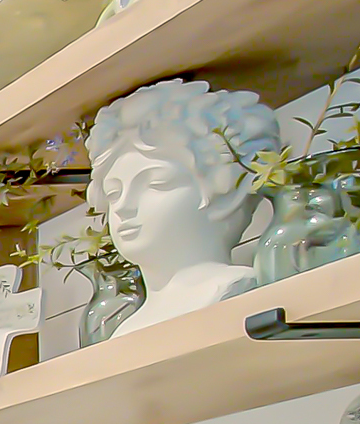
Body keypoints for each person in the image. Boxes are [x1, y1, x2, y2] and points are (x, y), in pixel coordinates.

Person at [84, 78, 281, 328]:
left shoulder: (229, 288)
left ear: (229, 192)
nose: (123, 206)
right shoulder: (127, 326)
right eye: (113, 193)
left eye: (156, 183)